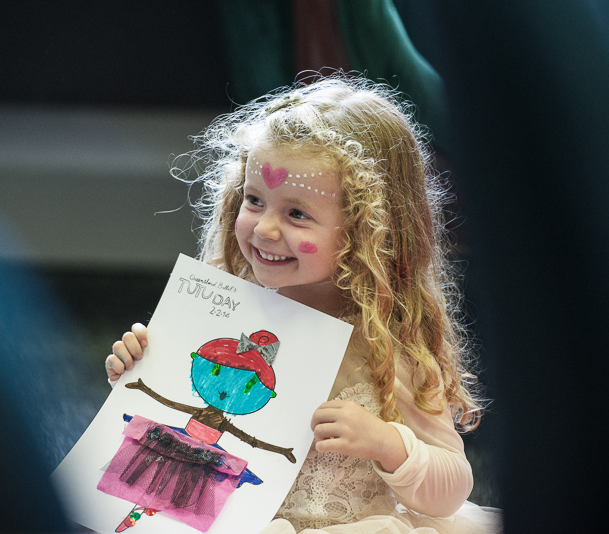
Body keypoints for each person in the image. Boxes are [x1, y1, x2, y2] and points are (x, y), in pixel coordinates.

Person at [105, 75, 501, 534]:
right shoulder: (224, 312)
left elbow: (452, 488)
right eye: (254, 200)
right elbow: (175, 413)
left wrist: (389, 443)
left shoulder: (386, 345)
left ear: (367, 230)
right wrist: (134, 367)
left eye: (297, 214)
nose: (265, 229)